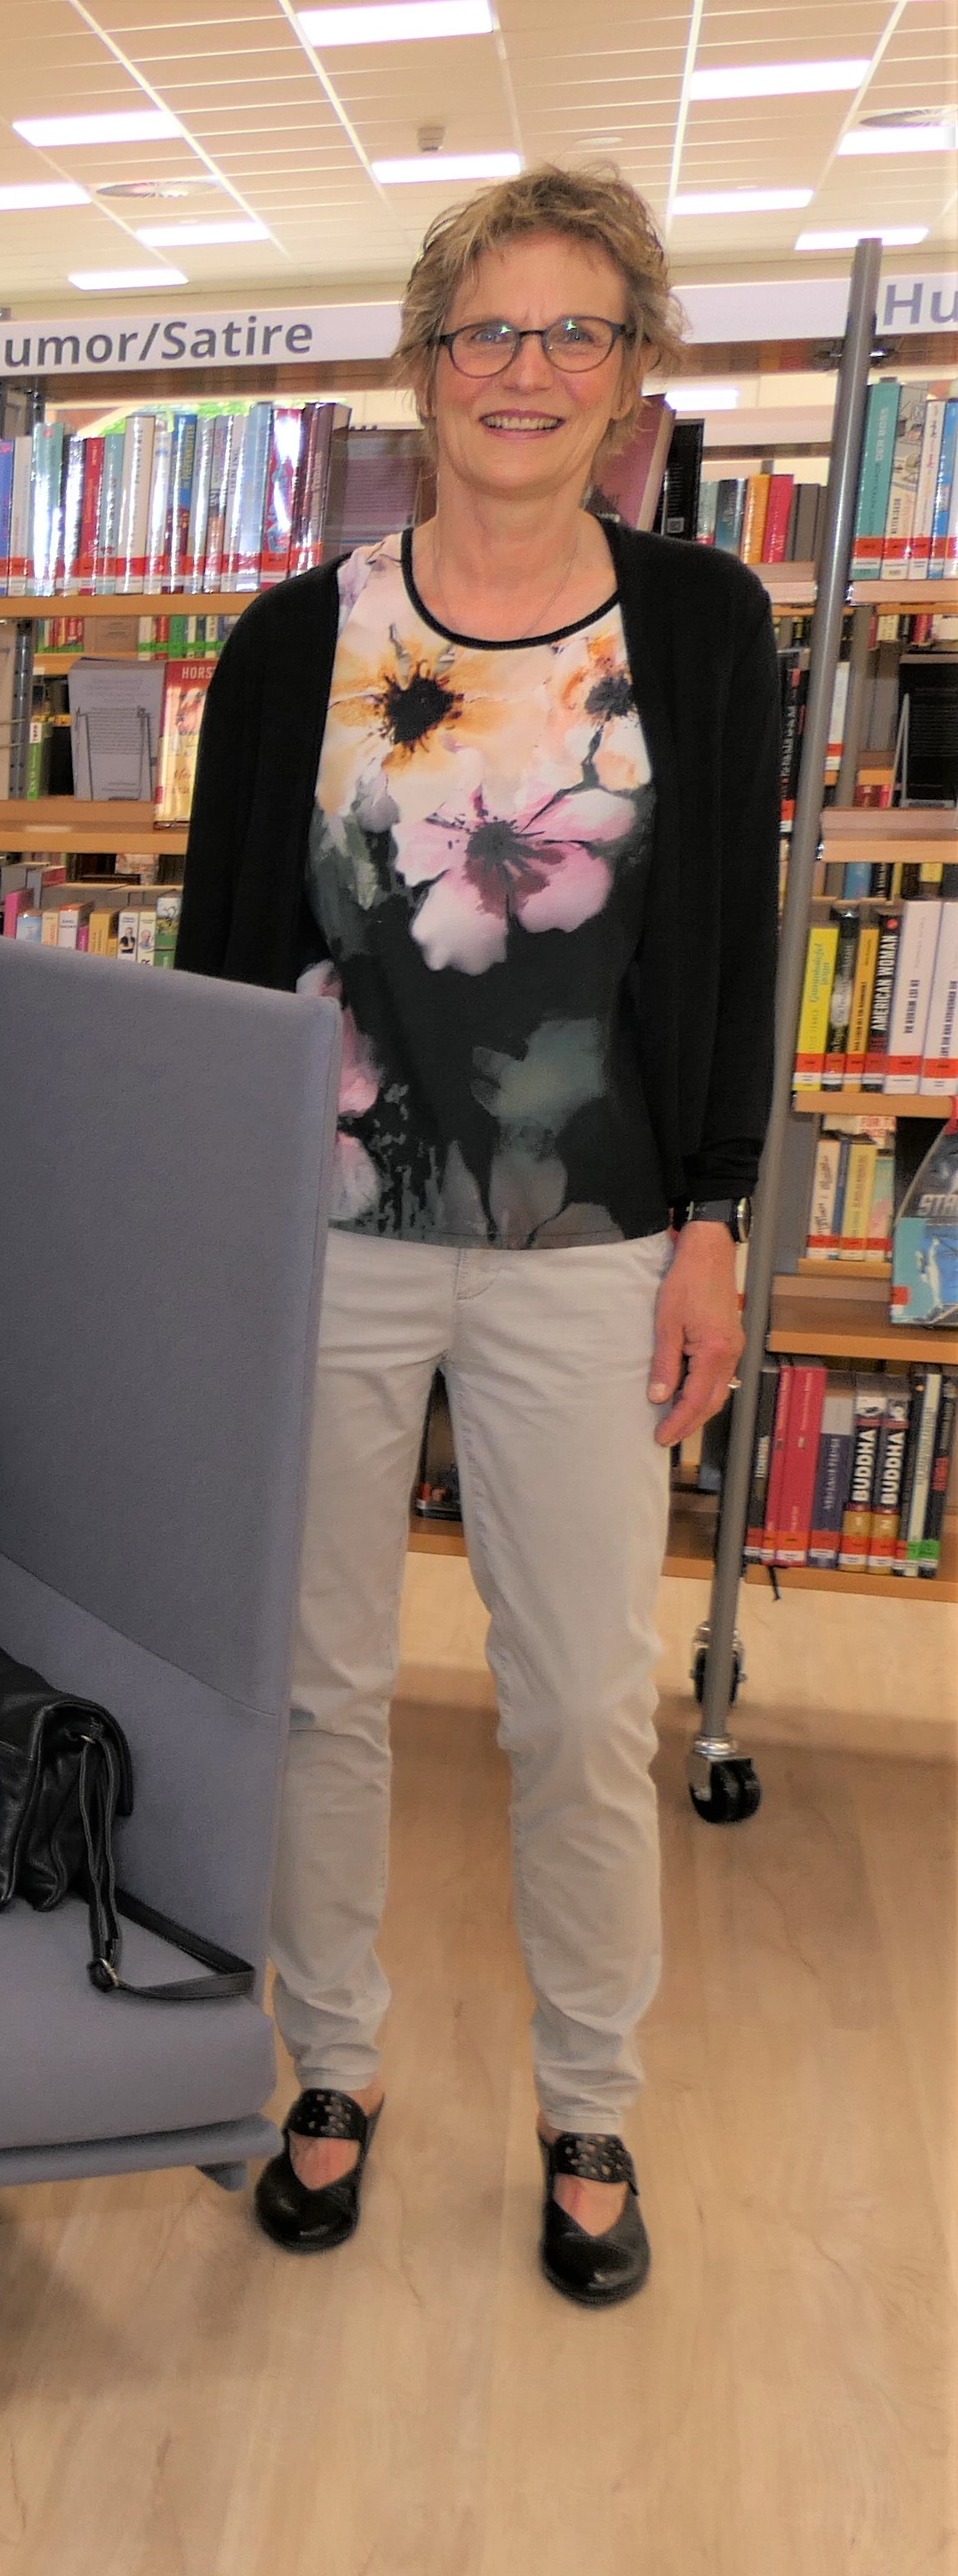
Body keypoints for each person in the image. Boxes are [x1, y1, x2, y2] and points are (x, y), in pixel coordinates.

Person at [176, 164, 775, 2307]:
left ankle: (588, 2099)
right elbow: (222, 966)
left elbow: (725, 937)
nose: (526, 372)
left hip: (597, 1240)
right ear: (423, 363)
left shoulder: (698, 625)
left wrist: (713, 1218)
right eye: (487, 331)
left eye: (574, 333)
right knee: (325, 1681)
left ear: (632, 376)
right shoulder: (295, 639)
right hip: (329, 1232)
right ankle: (329, 2063)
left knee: (580, 1696)